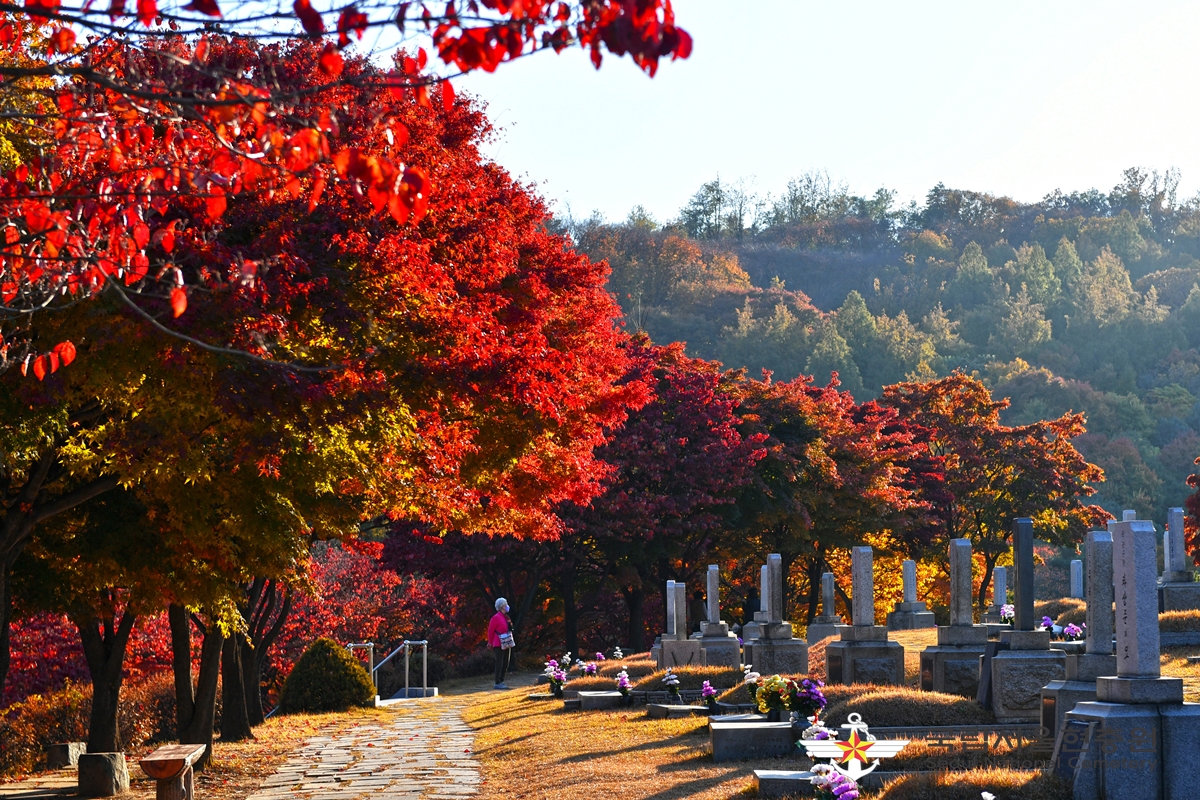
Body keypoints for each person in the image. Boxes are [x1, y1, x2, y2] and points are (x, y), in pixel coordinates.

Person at [487, 597, 513, 690]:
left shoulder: (506, 617)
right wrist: (490, 642)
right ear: (502, 606)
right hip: (498, 643)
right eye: (506, 604)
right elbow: (490, 631)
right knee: (499, 662)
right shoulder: (495, 618)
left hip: (507, 642)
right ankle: (497, 682)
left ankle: (501, 680)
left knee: (506, 662)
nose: (507, 606)